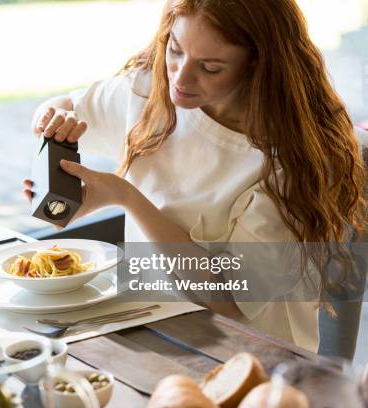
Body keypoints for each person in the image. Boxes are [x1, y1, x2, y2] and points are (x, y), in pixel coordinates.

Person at [22, 0, 367, 352]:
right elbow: (63, 106)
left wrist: (126, 197)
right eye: (175, 49)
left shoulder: (287, 161)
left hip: (253, 359)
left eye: (211, 67)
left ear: (257, 64)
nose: (181, 77)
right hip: (154, 334)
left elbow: (228, 299)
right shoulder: (149, 90)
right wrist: (51, 128)